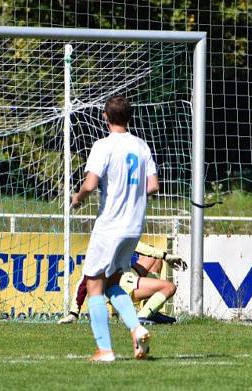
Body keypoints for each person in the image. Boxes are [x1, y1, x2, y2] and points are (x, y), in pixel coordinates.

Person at [70, 95, 159, 362]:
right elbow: (153, 186)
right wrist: (132, 194)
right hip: (133, 226)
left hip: (110, 226)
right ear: (130, 117)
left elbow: (91, 182)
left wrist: (78, 197)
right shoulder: (142, 146)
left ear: (105, 117)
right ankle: (137, 327)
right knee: (111, 285)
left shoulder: (103, 145)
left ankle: (104, 349)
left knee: (94, 285)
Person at [57, 241, 187, 325]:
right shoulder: (107, 243)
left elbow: (138, 246)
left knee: (154, 258)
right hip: (124, 285)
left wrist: (164, 256)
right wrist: (74, 312)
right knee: (169, 287)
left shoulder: (117, 233)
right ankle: (140, 318)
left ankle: (150, 311)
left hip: (127, 275)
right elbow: (85, 280)